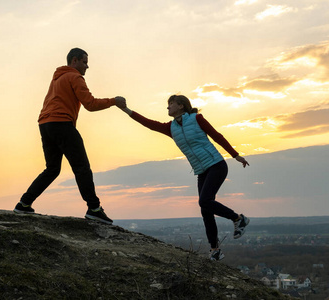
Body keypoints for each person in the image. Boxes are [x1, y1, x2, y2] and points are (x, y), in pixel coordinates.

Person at [119, 95, 250, 260]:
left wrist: (235, 155)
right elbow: (149, 124)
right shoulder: (171, 128)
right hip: (201, 171)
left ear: (181, 106)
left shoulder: (197, 118)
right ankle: (215, 249)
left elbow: (216, 135)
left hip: (216, 165)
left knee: (204, 201)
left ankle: (238, 219)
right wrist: (125, 110)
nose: (168, 108)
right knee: (205, 210)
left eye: (170, 104)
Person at [14, 48, 125, 225]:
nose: (87, 66)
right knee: (81, 167)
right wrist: (114, 101)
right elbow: (90, 104)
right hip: (61, 124)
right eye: (85, 62)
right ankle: (94, 209)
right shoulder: (75, 77)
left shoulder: (57, 79)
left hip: (45, 124)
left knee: (52, 169)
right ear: (74, 61)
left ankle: (24, 203)